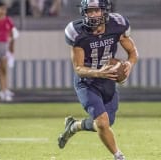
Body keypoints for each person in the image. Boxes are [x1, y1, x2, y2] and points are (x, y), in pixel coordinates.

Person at [58, 0, 138, 160]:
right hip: (87, 82)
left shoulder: (117, 24)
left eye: (96, 10)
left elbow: (132, 51)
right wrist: (98, 72)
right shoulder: (77, 32)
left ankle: (74, 126)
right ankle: (118, 155)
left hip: (108, 79)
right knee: (102, 122)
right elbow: (79, 69)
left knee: (107, 123)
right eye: (89, 11)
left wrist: (129, 63)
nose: (93, 15)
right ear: (83, 12)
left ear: (104, 11)